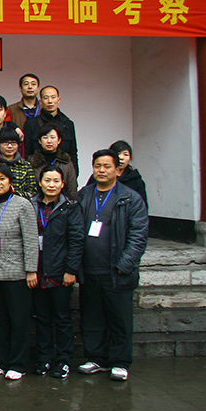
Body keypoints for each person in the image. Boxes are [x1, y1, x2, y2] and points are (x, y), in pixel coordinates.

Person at [76, 149, 149, 382]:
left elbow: (138, 235)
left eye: (107, 166)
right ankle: (96, 358)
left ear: (117, 170)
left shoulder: (130, 198)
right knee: (92, 317)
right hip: (90, 270)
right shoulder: (84, 195)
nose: (102, 170)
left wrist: (125, 264)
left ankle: (120, 361)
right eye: (98, 166)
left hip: (116, 271)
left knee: (119, 319)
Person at [0, 162, 40, 381]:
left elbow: (31, 239)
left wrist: (31, 269)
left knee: (18, 319)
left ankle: (18, 363)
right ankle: (1, 360)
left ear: (10, 181)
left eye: (2, 179)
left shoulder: (22, 205)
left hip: (16, 272)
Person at [31, 164, 84, 379]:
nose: (51, 185)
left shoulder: (70, 207)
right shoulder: (31, 205)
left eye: (56, 181)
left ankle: (63, 360)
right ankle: (44, 358)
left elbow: (76, 240)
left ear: (62, 184)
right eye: (47, 180)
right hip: (37, 271)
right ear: (40, 182)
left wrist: (71, 270)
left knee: (62, 318)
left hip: (60, 272)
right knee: (42, 318)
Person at [24, 86, 79, 168]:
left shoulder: (67, 124)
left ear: (59, 100)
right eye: (46, 98)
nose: (50, 101)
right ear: (41, 102)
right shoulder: (31, 124)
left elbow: (73, 153)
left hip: (62, 170)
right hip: (38, 170)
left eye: (53, 97)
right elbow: (27, 153)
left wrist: (73, 172)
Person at [93, 140, 148, 209]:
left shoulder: (136, 180)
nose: (121, 158)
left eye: (126, 154)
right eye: (118, 153)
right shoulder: (100, 176)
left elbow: (142, 207)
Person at [29, 123, 79, 199]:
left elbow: (72, 189)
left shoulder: (66, 162)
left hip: (62, 203)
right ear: (39, 140)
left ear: (59, 140)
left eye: (53, 137)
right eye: (45, 138)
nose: (49, 141)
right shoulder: (32, 162)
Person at [0, 127, 38, 198]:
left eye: (13, 143)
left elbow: (32, 191)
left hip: (20, 202)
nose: (10, 146)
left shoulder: (25, 165)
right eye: (6, 143)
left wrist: (15, 195)